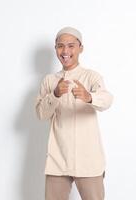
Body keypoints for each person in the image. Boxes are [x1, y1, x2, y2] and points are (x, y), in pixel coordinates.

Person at [35, 26, 113, 200]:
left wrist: (89, 96)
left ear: (81, 48)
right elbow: (41, 114)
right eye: (60, 46)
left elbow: (107, 100)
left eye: (71, 46)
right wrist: (54, 95)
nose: (65, 51)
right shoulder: (50, 80)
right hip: (58, 159)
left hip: (89, 159)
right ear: (55, 48)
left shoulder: (91, 77)